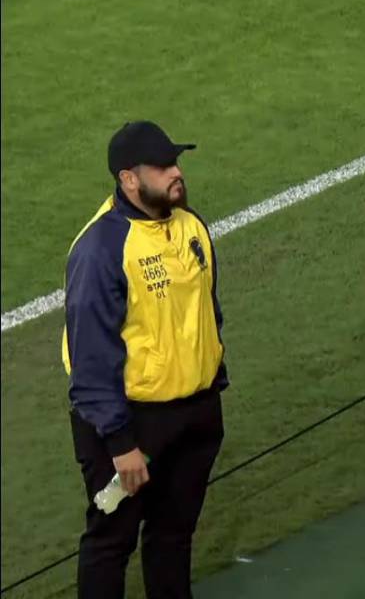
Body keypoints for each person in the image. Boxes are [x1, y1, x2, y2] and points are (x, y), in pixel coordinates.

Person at [62, 121, 227, 599]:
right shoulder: (100, 250)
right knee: (110, 543)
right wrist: (119, 442)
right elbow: (90, 358)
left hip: (194, 414)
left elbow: (204, 310)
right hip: (132, 426)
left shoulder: (190, 223)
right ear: (128, 179)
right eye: (163, 167)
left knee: (174, 536)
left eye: (176, 163)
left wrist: (212, 382)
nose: (177, 173)